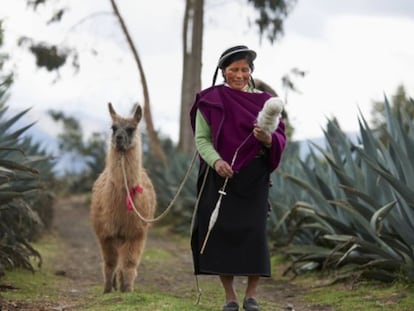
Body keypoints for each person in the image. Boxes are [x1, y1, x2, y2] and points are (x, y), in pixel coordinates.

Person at [189, 45, 287, 311]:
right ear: (223, 71)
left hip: (254, 178)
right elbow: (202, 140)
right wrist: (217, 161)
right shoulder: (210, 100)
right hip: (222, 177)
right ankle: (230, 296)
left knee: (254, 233)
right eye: (233, 69)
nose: (239, 74)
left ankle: (252, 296)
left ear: (251, 71)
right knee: (222, 234)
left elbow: (280, 137)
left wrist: (267, 139)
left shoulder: (265, 102)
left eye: (244, 69)